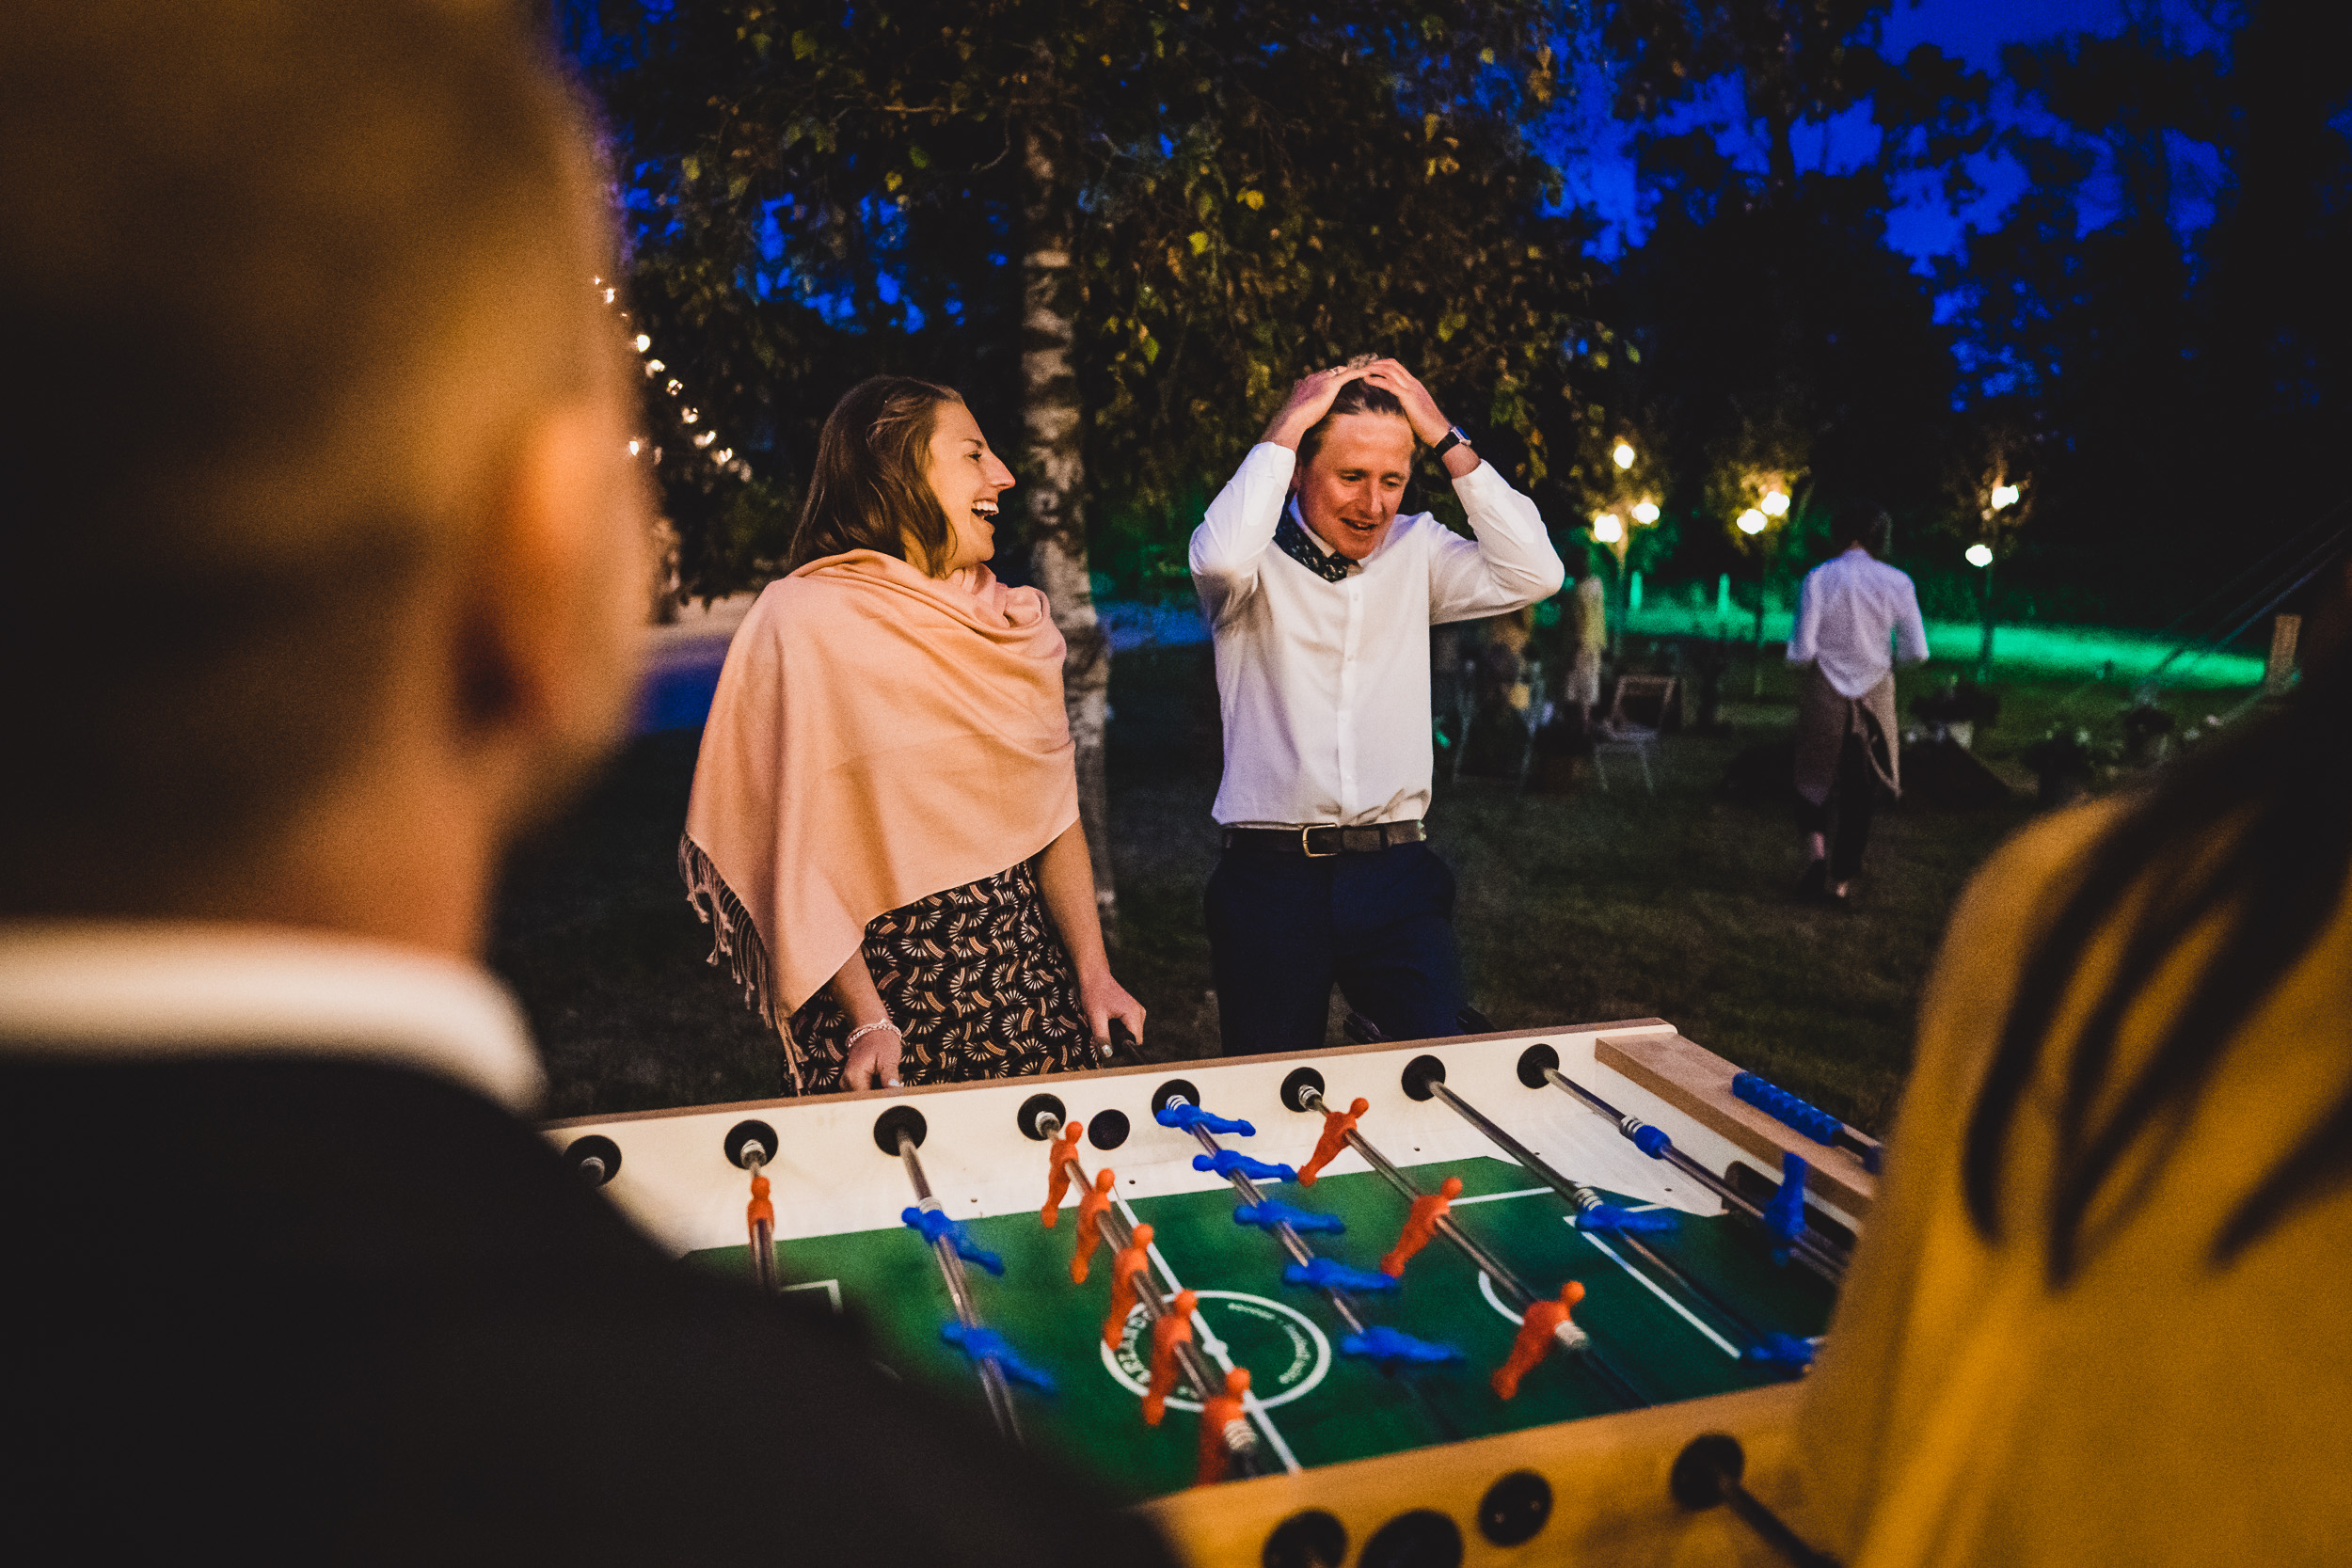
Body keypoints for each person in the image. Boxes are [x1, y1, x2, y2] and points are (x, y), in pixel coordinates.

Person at [0, 8, 1171, 1564]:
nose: (1006, 483)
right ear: (538, 580)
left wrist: (1084, 964)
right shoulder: (898, 1510)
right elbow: (812, 836)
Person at [1796, 562, 2352, 1564]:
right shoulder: (2073, 906)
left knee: (1826, 791)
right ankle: (1836, 871)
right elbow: (1914, 648)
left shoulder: (2079, 901)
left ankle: (1822, 862)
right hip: (1868, 691)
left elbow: (1870, 1457)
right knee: (1853, 803)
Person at [682, 377, 1144, 1093]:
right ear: (895, 474)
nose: (1004, 476)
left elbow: (1053, 820)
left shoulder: (1014, 624)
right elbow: (797, 847)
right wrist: (867, 1016)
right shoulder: (803, 622)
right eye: (973, 454)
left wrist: (1094, 974)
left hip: (1029, 991)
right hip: (884, 1013)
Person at [1189, 358, 1564, 1054]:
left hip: (1396, 877)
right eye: (1352, 477)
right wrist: (1291, 419)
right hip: (1271, 882)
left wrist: (1441, 431)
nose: (1373, 504)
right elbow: (1213, 559)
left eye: (1391, 479)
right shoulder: (1247, 565)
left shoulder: (1419, 549)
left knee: (1441, 1074)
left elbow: (1536, 571)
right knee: (1271, 1094)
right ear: (1299, 469)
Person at [1786, 506, 1929, 905]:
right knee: (1861, 790)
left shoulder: (1817, 578)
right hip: (1874, 698)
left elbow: (1800, 653)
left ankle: (1815, 857)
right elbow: (1917, 652)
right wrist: (1884, 664)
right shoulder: (1898, 582)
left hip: (1824, 692)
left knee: (1810, 779)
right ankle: (1839, 881)